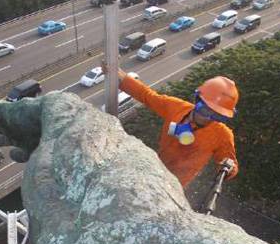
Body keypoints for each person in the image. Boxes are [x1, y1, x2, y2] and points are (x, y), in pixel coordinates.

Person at [102, 63, 240, 189]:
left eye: (216, 116)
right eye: (204, 111)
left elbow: (230, 163)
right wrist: (122, 78)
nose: (207, 118)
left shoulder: (222, 134)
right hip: (155, 169)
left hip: (175, 187)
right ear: (197, 100)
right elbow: (147, 96)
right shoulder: (175, 108)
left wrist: (228, 168)